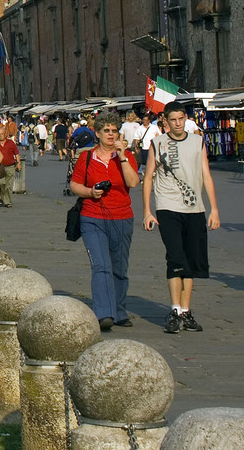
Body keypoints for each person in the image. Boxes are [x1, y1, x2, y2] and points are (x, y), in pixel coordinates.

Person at [142, 103, 221, 334]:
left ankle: (186, 311)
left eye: (180, 119)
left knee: (191, 262)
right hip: (168, 207)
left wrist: (213, 209)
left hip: (195, 208)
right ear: (165, 121)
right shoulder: (158, 143)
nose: (177, 124)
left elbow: (206, 173)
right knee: (176, 258)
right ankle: (175, 310)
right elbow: (148, 177)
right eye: (172, 120)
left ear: (185, 118)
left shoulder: (198, 141)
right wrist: (147, 210)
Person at [69, 116, 141, 331]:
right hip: (92, 217)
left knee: (119, 268)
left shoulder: (126, 156)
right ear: (97, 134)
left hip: (122, 217)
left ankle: (119, 311)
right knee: (101, 265)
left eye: (114, 130)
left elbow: (133, 182)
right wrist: (90, 192)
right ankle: (104, 313)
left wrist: (123, 158)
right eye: (107, 130)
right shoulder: (87, 157)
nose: (111, 134)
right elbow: (75, 185)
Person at [0, 130, 20, 207]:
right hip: (0, 167)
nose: (0, 135)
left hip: (10, 166)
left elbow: (16, 153)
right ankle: (2, 198)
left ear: (5, 134)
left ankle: (7, 201)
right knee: (1, 183)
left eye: (2, 134)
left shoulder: (11, 143)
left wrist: (18, 163)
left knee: (9, 185)